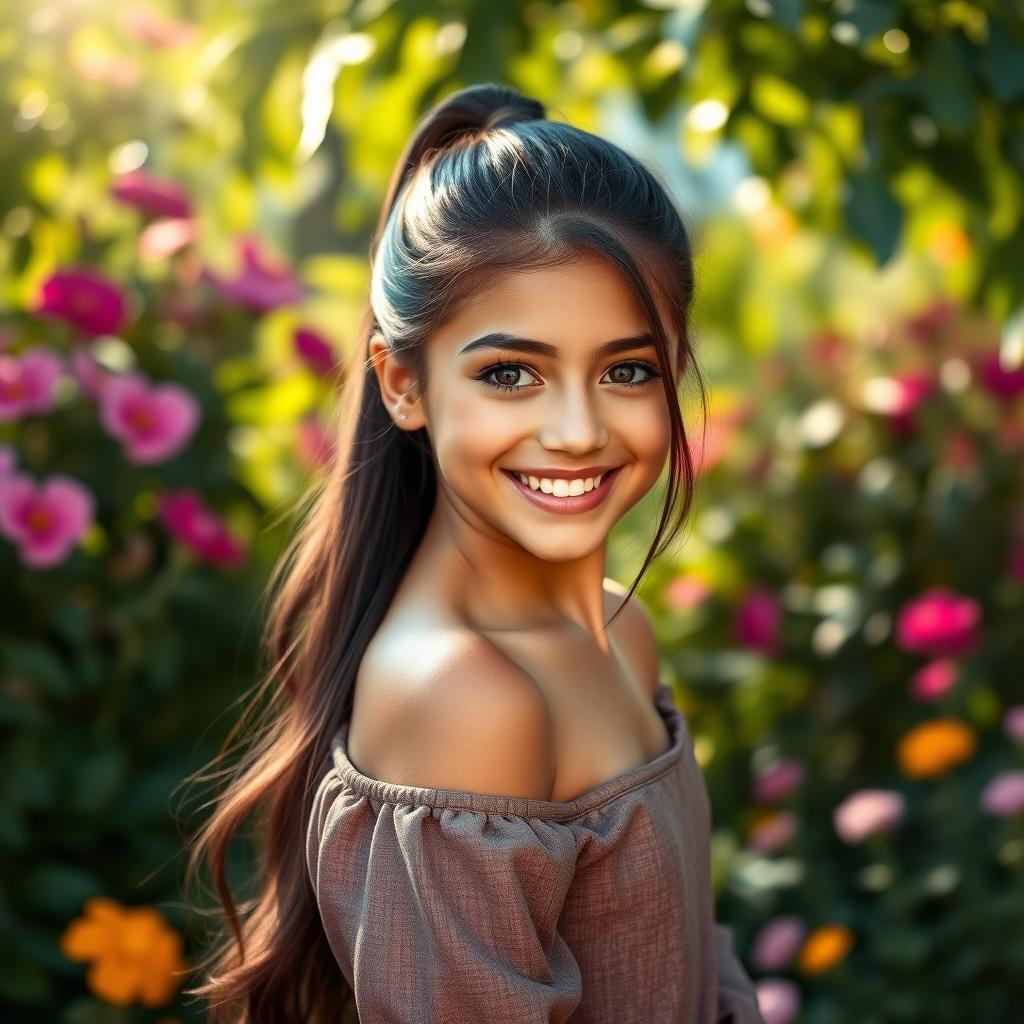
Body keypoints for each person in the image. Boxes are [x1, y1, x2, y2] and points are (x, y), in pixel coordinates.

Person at [184, 82, 765, 1024]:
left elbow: (687, 965)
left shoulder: (622, 627)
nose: (577, 431)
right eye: (511, 374)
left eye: (628, 370)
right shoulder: (463, 694)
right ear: (402, 384)